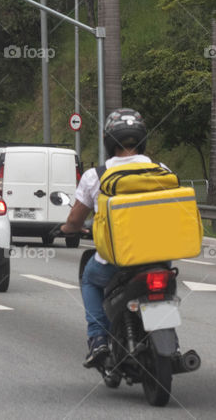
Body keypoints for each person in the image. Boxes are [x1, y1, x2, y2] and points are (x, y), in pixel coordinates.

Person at [61, 108, 158, 368]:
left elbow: (75, 221)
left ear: (109, 141)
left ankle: (98, 340)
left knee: (89, 280)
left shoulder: (97, 176)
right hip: (158, 256)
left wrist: (66, 229)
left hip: (116, 259)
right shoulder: (160, 170)